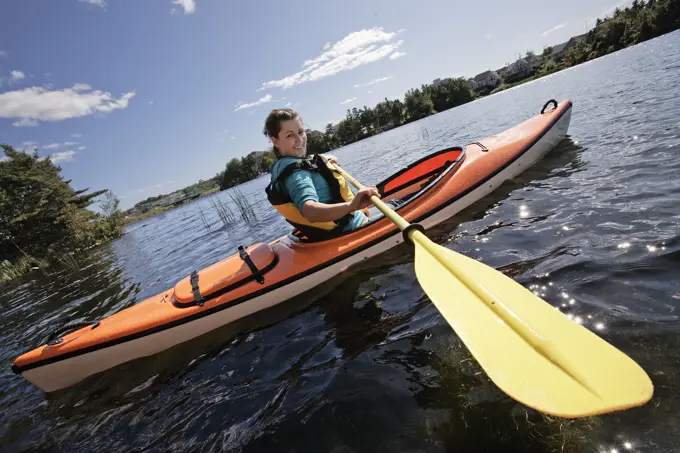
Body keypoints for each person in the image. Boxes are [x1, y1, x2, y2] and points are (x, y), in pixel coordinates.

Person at [263, 108, 381, 240]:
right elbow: (310, 211)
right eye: (290, 135)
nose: (299, 140)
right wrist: (352, 205)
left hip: (352, 223)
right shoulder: (296, 174)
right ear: (275, 141)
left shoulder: (288, 165)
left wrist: (325, 165)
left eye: (301, 132)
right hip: (354, 229)